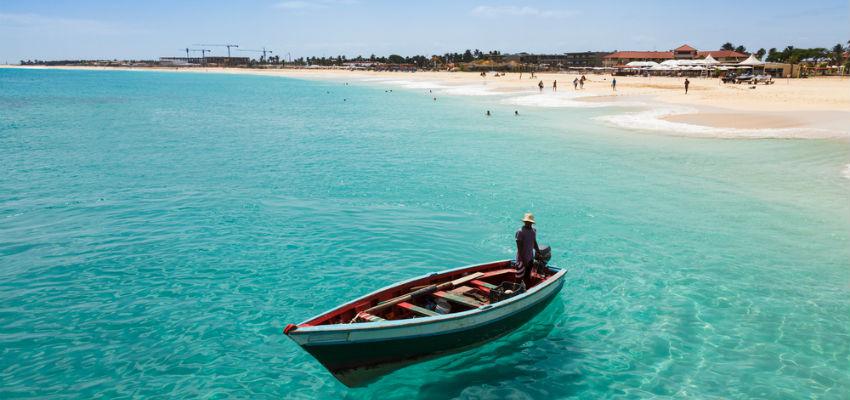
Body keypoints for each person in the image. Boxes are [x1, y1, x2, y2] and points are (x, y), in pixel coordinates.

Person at [515, 213, 540, 285]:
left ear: (532, 223)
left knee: (527, 276)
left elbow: (534, 242)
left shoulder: (533, 231)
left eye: (530, 222)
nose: (528, 223)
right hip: (521, 260)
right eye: (527, 222)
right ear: (524, 222)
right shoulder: (520, 232)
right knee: (519, 278)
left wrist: (538, 251)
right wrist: (523, 260)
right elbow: (519, 248)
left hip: (530, 258)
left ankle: (527, 290)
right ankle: (517, 291)